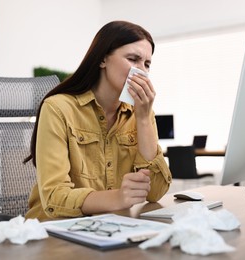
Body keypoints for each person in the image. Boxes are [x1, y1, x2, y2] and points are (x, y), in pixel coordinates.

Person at [24, 21, 172, 221]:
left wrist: (144, 119)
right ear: (103, 59)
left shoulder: (141, 113)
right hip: (53, 231)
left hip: (107, 227)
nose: (142, 71)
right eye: (133, 59)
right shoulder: (58, 108)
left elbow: (155, 192)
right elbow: (53, 198)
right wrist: (116, 198)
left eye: (147, 64)